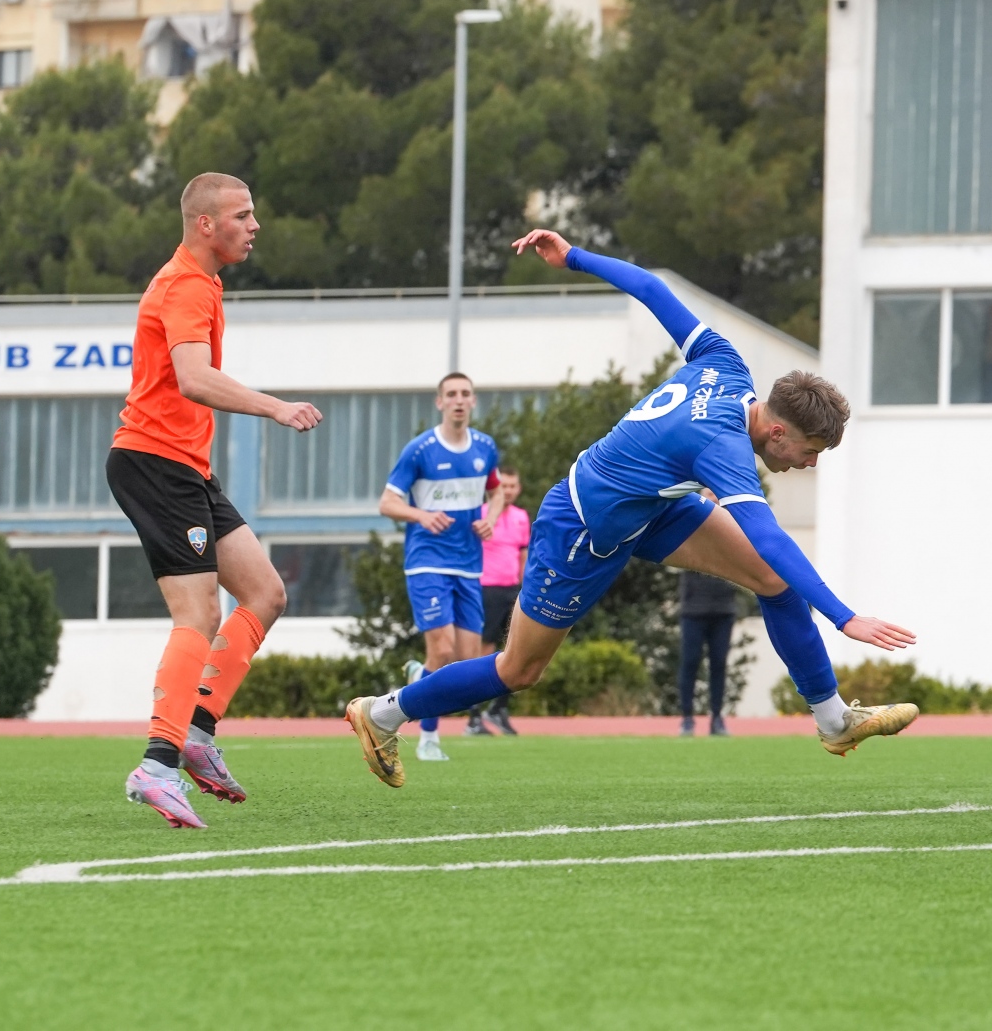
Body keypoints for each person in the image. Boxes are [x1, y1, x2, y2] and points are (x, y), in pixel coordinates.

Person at [344, 230, 919, 786]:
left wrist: (573, 256)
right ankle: (384, 713)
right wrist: (844, 617)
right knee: (519, 669)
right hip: (583, 527)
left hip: (650, 507)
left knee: (775, 581)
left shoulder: (726, 363)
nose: (810, 463)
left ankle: (833, 721)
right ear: (776, 431)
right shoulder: (721, 447)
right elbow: (770, 537)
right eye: (810, 451)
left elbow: (650, 287)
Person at [110, 172, 323, 829]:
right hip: (154, 463)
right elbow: (194, 378)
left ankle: (197, 732)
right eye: (243, 214)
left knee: (265, 592)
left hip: (187, 470)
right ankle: (157, 764)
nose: (255, 226)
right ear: (206, 224)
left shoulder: (204, 282)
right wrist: (275, 406)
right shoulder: (184, 285)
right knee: (198, 613)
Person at [378, 373, 501, 762]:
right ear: (440, 402)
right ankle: (428, 738)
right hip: (427, 561)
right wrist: (422, 515)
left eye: (465, 394)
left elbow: (496, 492)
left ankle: (420, 678)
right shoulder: (420, 450)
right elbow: (387, 502)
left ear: (473, 401)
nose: (458, 400)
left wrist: (490, 519)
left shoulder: (485, 447)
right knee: (443, 650)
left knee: (466, 664)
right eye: (451, 394)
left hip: (469, 565)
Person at [472, 468, 528, 736]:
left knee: (515, 650)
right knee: (483, 650)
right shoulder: (481, 514)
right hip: (486, 588)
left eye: (512, 486)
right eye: (503, 486)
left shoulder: (521, 517)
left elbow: (523, 555)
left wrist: (526, 589)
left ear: (518, 488)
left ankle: (498, 709)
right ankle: (474, 715)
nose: (508, 491)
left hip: (513, 589)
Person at [679, 559, 738, 737]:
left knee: (719, 664)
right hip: (693, 611)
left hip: (723, 610)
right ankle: (687, 718)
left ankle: (717, 718)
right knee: (690, 663)